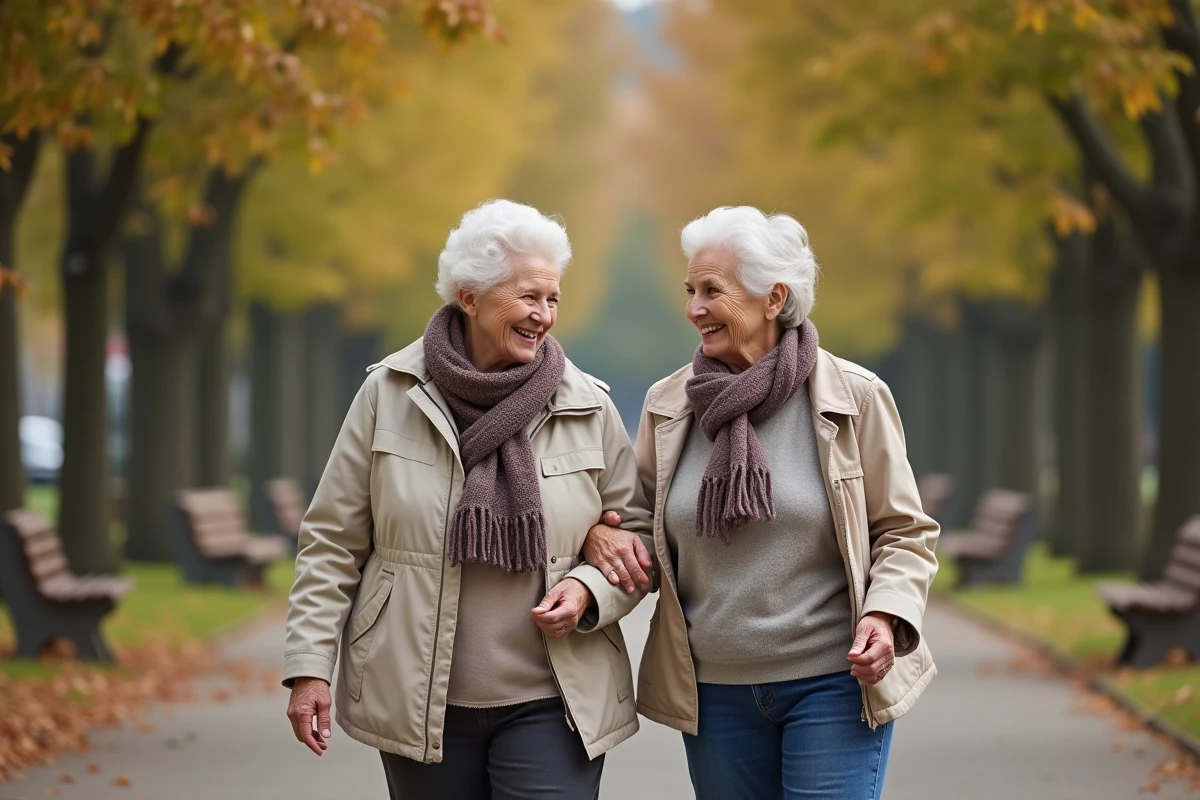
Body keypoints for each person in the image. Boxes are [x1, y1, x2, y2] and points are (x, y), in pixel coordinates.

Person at [283, 199, 652, 799]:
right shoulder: (390, 394)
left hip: (555, 701)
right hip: (419, 700)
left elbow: (640, 538)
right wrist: (307, 669)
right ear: (470, 296)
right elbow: (332, 540)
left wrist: (590, 587)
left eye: (552, 299)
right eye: (528, 297)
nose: (544, 315)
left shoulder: (586, 405)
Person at [584, 206, 939, 800]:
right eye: (690, 290)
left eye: (712, 291)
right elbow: (640, 527)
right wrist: (605, 539)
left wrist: (887, 614)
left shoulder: (855, 397)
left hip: (832, 681)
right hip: (715, 692)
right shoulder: (669, 405)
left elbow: (904, 531)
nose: (695, 308)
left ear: (775, 298)